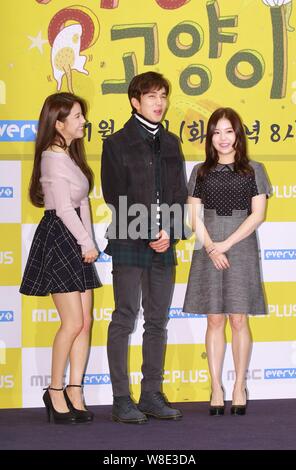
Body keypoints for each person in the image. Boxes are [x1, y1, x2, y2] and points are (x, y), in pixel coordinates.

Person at [101, 71, 187, 424]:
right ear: (135, 101)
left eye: (163, 96)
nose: (159, 103)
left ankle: (152, 393)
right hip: (128, 239)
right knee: (124, 317)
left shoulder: (171, 142)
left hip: (164, 242)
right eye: (151, 96)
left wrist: (170, 232)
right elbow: (114, 195)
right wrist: (149, 230)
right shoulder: (116, 143)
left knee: (157, 320)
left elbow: (179, 193)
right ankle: (122, 399)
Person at [183, 107, 271, 416]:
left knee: (238, 319)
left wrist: (226, 244)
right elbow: (193, 215)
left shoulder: (253, 170)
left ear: (238, 134)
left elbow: (257, 214)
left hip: (241, 246)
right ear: (210, 137)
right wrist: (211, 247)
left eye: (228, 131)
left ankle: (239, 386)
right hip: (208, 246)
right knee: (215, 319)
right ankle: (216, 386)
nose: (222, 138)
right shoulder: (200, 172)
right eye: (216, 132)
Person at [20, 92, 101, 424]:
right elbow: (64, 208)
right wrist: (85, 241)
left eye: (83, 115)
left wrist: (90, 242)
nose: (84, 121)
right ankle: (54, 391)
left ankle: (75, 389)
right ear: (59, 122)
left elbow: (82, 203)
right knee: (73, 322)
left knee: (86, 320)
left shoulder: (68, 155)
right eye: (78, 116)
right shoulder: (52, 158)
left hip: (77, 238)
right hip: (60, 238)